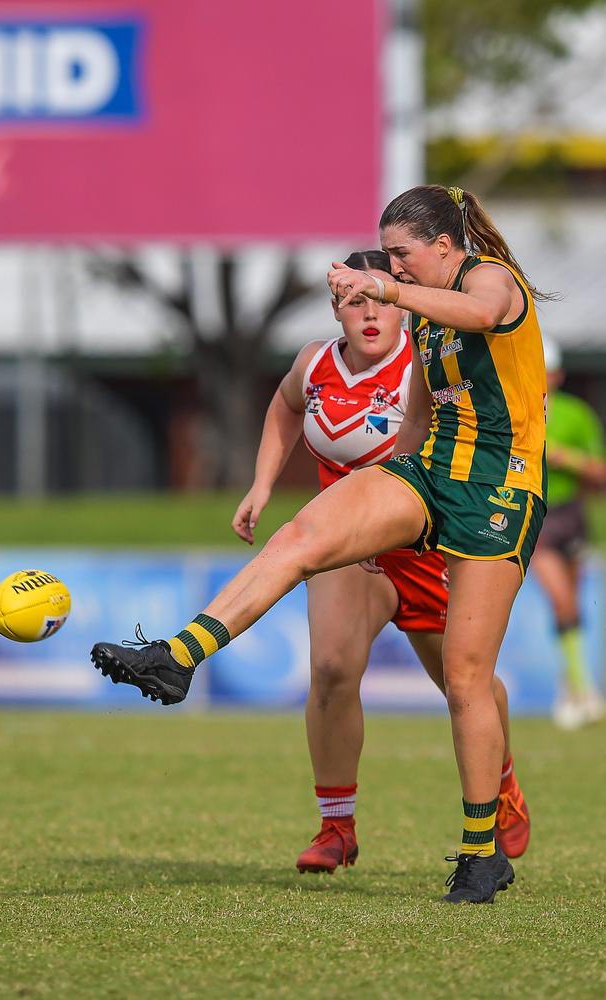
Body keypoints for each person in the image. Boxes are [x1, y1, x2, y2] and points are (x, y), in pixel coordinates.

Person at [91, 184, 547, 905]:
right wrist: (380, 502)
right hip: (428, 475)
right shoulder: (410, 317)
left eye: (401, 255)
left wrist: (381, 285)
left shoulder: (487, 280)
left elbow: (484, 314)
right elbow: (422, 413)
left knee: (465, 679)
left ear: (441, 246)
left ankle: (480, 851)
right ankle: (177, 656)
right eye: (384, 260)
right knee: (302, 537)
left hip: (499, 493)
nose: (390, 272)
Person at [230, 249, 530, 873]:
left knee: (462, 681)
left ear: (402, 301)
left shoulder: (426, 360)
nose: (369, 314)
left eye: (380, 298)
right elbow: (285, 406)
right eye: (353, 302)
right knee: (333, 670)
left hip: (424, 547)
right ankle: (336, 826)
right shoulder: (313, 362)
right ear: (335, 310)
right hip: (348, 553)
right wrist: (262, 483)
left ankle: (501, 783)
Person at [531, 338, 606, 729]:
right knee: (561, 601)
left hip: (572, 514)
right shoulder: (516, 410)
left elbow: (599, 471)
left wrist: (563, 457)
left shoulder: (577, 415)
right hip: (537, 517)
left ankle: (571, 686)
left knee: (573, 607)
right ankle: (585, 688)